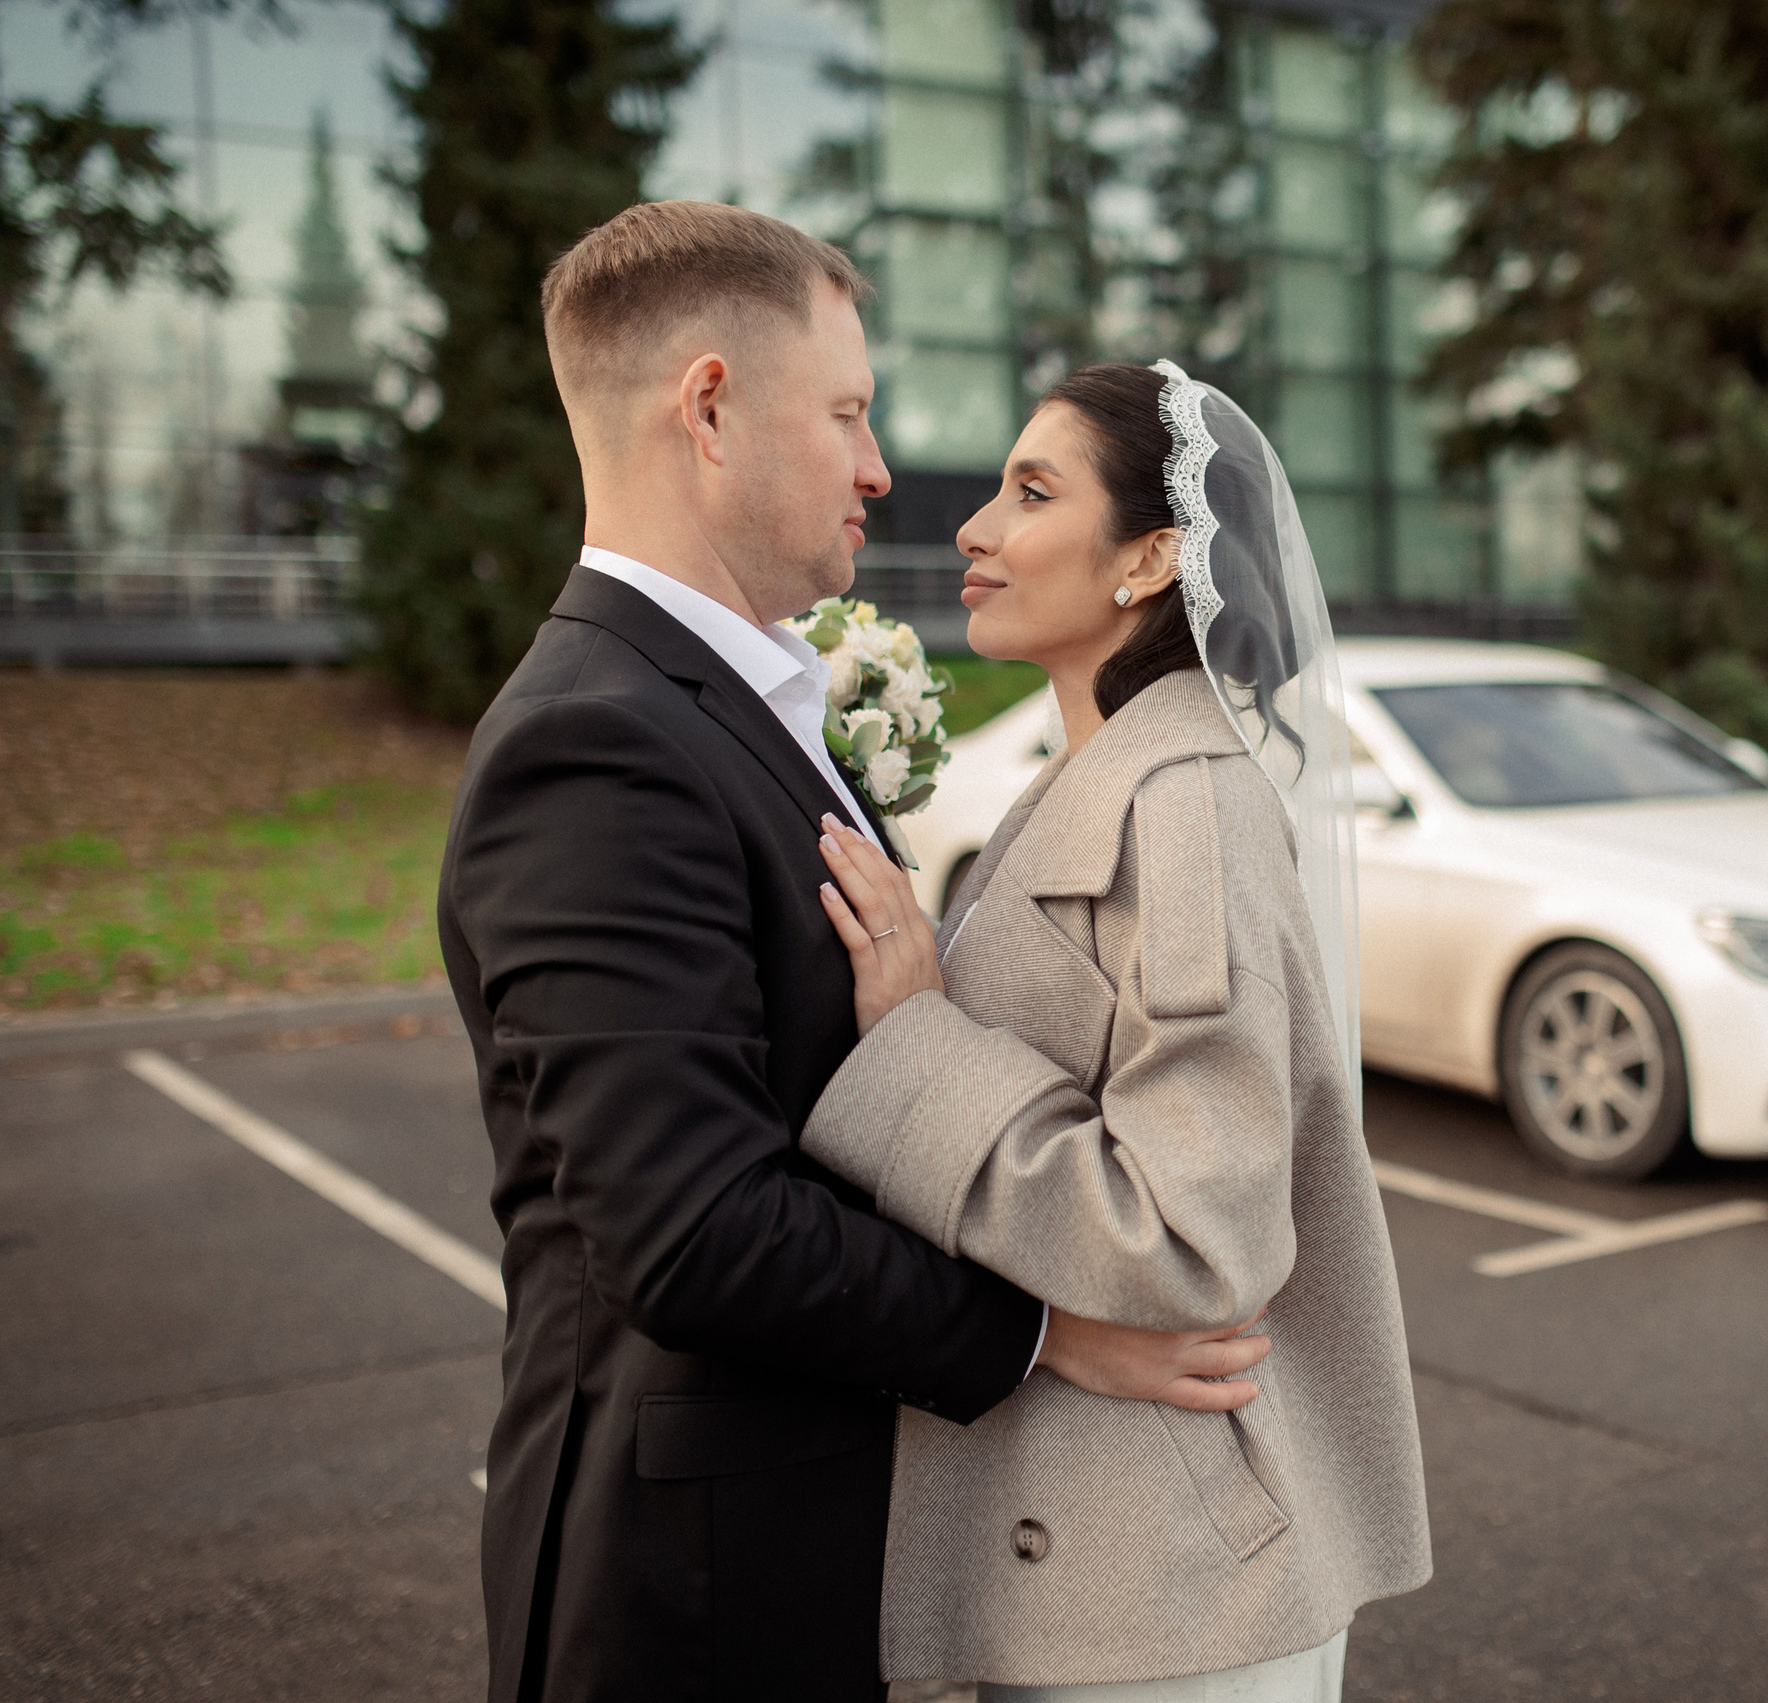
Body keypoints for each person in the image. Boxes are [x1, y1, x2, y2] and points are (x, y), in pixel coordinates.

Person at [438, 203, 1272, 1703]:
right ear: (709, 409)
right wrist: (1037, 1332)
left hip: (802, 1555)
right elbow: (692, 1231)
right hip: (695, 1604)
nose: (884, 470)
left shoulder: (720, 701)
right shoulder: (594, 744)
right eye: (848, 413)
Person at [803, 360, 1431, 1701]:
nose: (973, 528)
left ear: (1149, 557)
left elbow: (1195, 1232)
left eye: (1032, 491)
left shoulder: (1182, 806)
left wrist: (916, 1041)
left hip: (1167, 1597)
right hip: (1103, 1556)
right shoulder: (1093, 779)